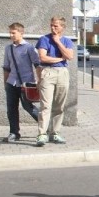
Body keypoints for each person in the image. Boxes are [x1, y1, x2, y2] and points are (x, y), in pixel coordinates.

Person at [35, 16, 74, 147]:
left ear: (62, 27)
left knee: (59, 106)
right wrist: (59, 59)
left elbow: (69, 56)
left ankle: (55, 132)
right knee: (45, 105)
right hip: (48, 72)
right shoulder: (44, 39)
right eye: (52, 25)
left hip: (62, 73)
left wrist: (58, 42)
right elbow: (43, 57)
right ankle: (42, 134)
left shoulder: (67, 41)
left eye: (56, 26)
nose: (53, 28)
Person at [1, 22, 40, 143]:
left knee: (28, 107)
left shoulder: (29, 47)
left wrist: (39, 81)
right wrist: (5, 83)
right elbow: (6, 67)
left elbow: (37, 65)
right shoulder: (8, 48)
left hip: (26, 83)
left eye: (14, 33)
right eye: (10, 33)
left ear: (21, 33)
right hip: (11, 83)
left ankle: (47, 127)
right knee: (11, 108)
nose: (11, 35)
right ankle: (14, 133)